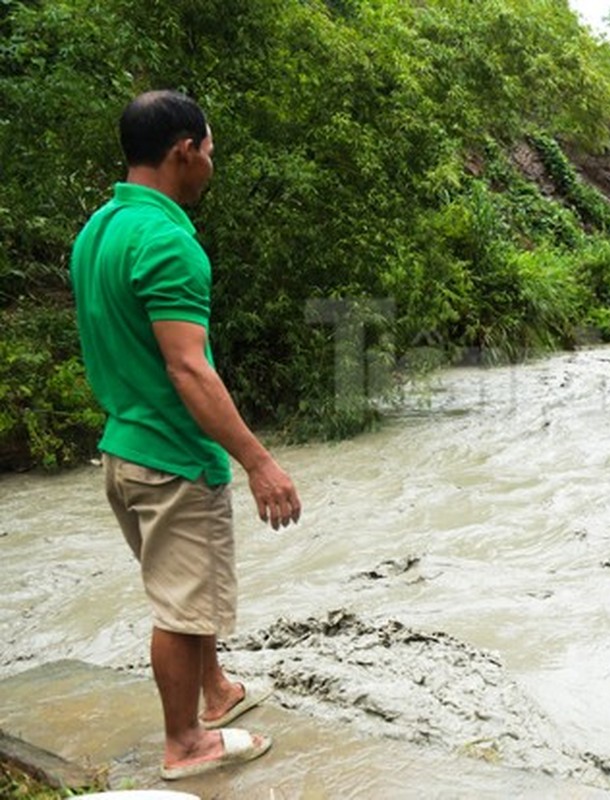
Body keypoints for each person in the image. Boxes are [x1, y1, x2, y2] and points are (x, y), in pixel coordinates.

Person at [70, 90, 301, 781]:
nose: (211, 166)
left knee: (184, 593)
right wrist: (259, 462)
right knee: (180, 607)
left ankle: (217, 691)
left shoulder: (100, 229)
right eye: (211, 152)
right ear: (184, 150)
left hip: (124, 447)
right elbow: (188, 369)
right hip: (172, 457)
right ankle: (187, 743)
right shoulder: (169, 242)